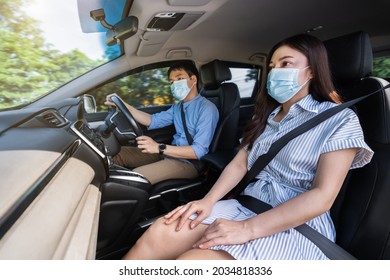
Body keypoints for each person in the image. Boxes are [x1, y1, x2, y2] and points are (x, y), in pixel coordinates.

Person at [122, 34, 374, 260]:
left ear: (312, 71)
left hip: (296, 222)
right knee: (161, 232)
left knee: (193, 262)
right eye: (272, 66)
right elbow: (240, 162)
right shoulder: (265, 116)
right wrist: (208, 201)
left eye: (286, 64)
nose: (275, 72)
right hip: (247, 203)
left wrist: (247, 229)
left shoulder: (340, 119)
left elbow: (322, 196)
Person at [105, 61, 219, 185]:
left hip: (189, 162)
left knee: (135, 177)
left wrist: (158, 147)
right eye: (171, 82)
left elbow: (199, 151)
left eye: (179, 78)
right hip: (169, 153)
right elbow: (152, 120)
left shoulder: (207, 108)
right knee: (117, 154)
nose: (175, 84)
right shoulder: (178, 107)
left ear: (194, 79)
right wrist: (123, 105)